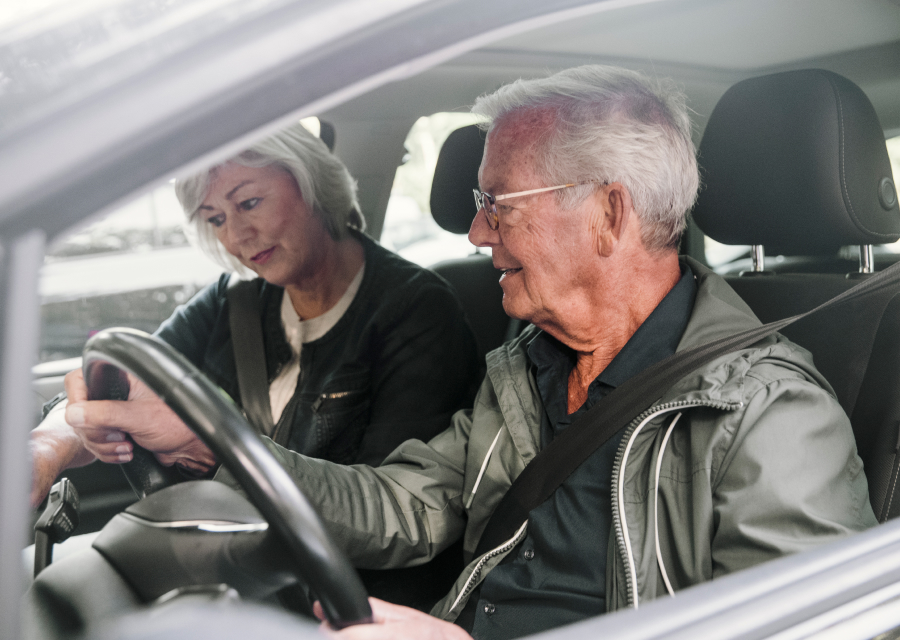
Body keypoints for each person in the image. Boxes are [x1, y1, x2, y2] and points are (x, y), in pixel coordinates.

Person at [48, 65, 877, 640]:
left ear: (609, 213)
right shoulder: (526, 365)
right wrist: (208, 441)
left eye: (495, 201)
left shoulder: (768, 413)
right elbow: (403, 508)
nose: (475, 230)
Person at [28, 121, 480, 608]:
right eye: (215, 218)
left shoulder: (415, 309)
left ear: (310, 184)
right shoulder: (235, 299)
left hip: (343, 595)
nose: (237, 236)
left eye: (248, 203)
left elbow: (389, 518)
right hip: (236, 561)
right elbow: (129, 381)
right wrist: (48, 446)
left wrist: (217, 453)